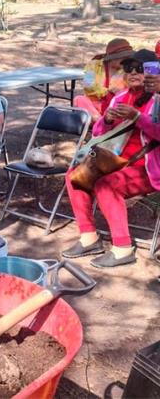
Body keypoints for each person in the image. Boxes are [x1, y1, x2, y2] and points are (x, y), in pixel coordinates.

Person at [63, 49, 160, 269]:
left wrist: (137, 118)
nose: (133, 73)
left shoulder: (158, 100)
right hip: (114, 159)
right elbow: (98, 132)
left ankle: (122, 248)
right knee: (74, 177)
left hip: (148, 165)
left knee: (107, 185)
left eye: (140, 69)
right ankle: (89, 238)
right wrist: (106, 119)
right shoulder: (120, 97)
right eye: (129, 68)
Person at [74, 38, 132, 122]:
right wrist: (107, 92)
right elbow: (88, 85)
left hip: (114, 105)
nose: (127, 61)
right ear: (112, 58)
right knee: (79, 99)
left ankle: (102, 123)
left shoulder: (128, 69)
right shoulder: (93, 65)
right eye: (124, 58)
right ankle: (100, 122)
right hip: (94, 105)